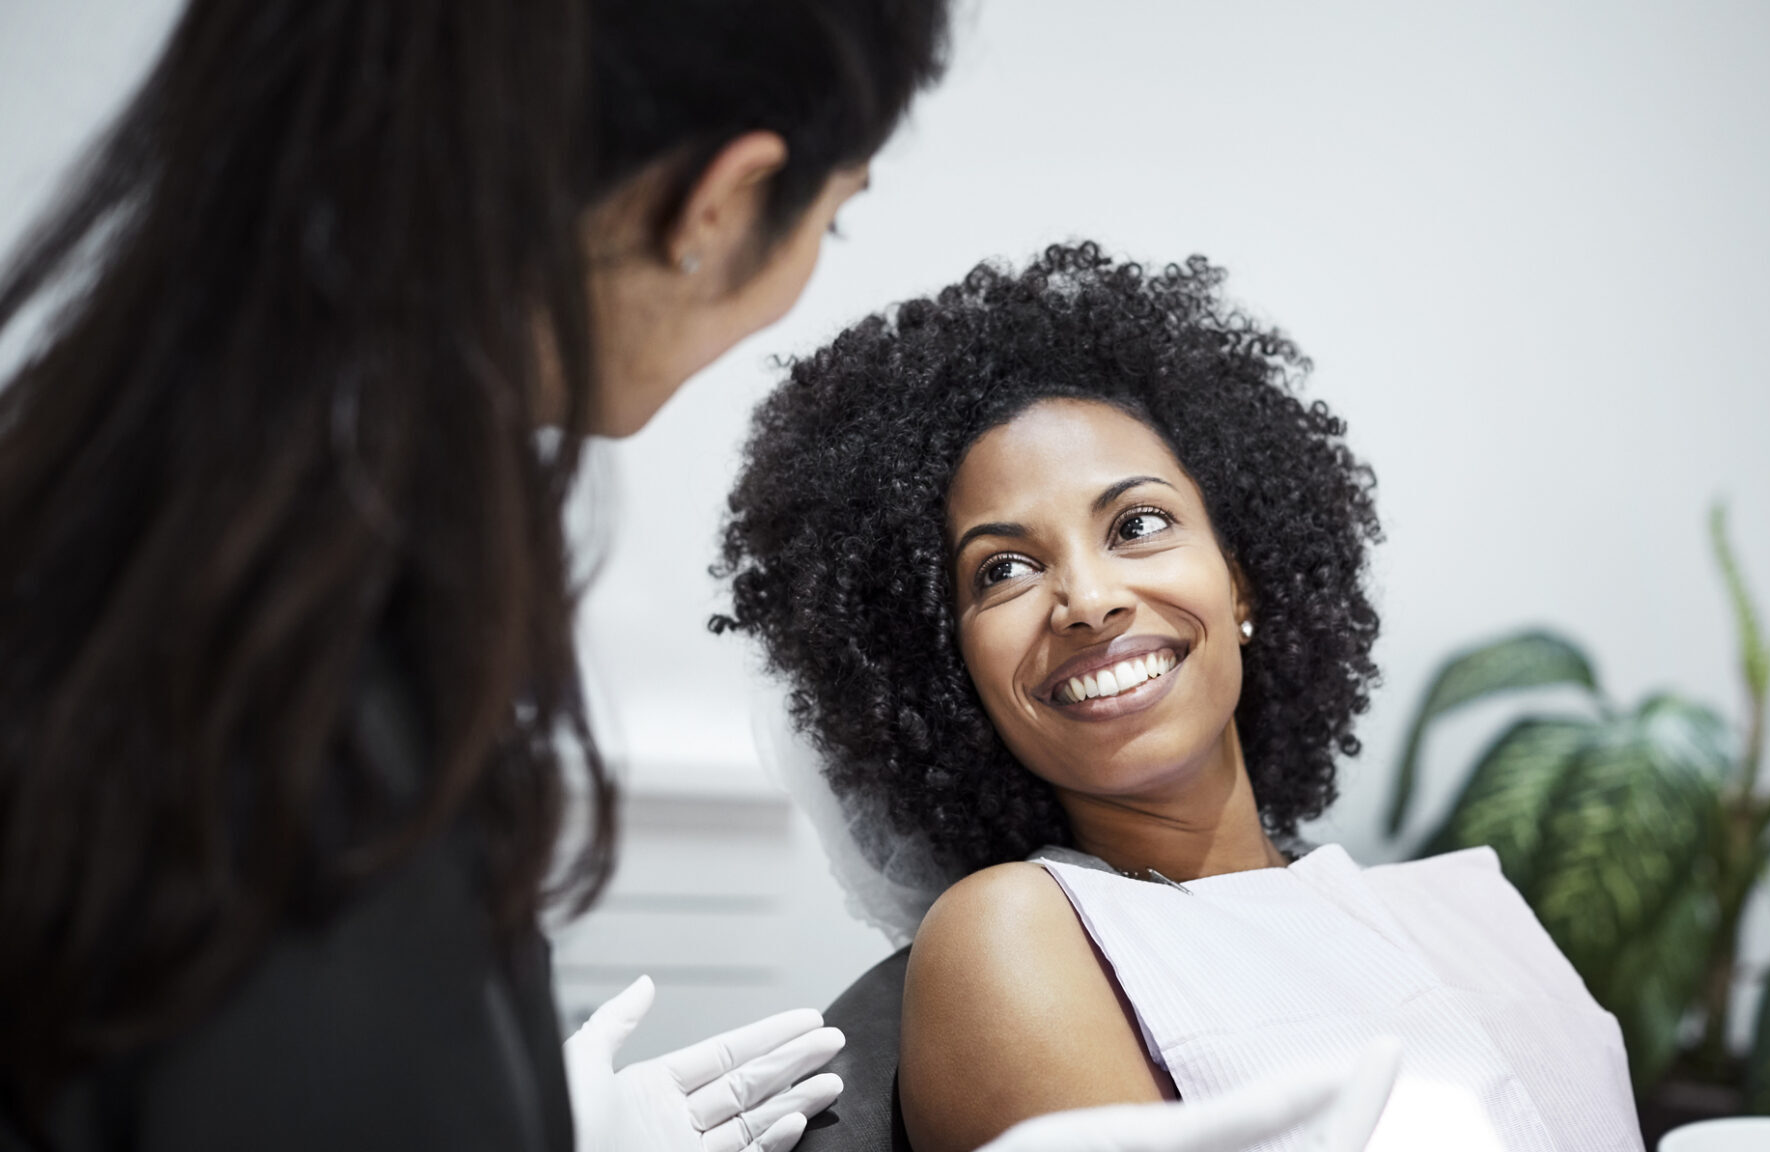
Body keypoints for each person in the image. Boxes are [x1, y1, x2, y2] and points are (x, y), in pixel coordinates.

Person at [0, 2, 1391, 1150]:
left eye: (1140, 523)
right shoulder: (298, 683)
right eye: (832, 216)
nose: (1089, 597)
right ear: (721, 202)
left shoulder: (162, 545)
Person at [714, 243, 1647, 1151]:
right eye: (1002, 569)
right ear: (946, 669)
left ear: (1241, 582)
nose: (1087, 600)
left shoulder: (1472, 907)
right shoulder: (1017, 935)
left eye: (1138, 523)